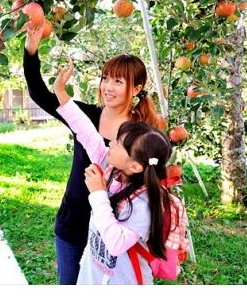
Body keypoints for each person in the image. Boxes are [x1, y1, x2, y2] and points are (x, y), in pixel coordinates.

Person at [23, 24, 159, 284]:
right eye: (105, 78)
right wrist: (31, 50)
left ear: (138, 88)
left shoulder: (141, 133)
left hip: (112, 228)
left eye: (118, 81)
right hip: (73, 222)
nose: (107, 87)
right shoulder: (86, 116)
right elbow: (39, 93)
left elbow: (148, 179)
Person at [53, 60, 173, 284]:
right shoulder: (112, 168)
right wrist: (60, 92)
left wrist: (98, 193)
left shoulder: (143, 201)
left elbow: (116, 242)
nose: (110, 144)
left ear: (135, 165)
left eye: (117, 143)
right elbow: (86, 131)